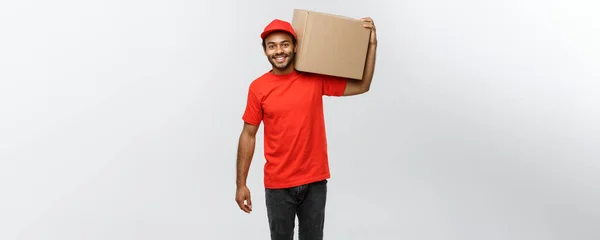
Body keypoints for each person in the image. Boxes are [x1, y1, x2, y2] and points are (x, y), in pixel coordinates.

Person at [235, 17, 377, 240]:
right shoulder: (258, 88)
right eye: (272, 46)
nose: (278, 51)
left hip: (314, 182)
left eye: (284, 44)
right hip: (278, 184)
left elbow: (363, 85)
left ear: (295, 46)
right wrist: (241, 184)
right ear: (265, 52)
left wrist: (371, 46)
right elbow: (248, 134)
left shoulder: (314, 78)